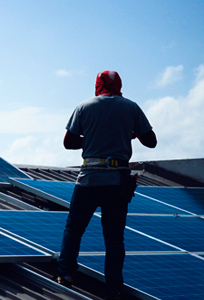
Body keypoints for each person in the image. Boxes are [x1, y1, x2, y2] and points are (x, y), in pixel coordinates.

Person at [57, 70, 157, 300]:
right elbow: (151, 141)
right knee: (114, 239)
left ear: (97, 85)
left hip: (89, 179)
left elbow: (69, 142)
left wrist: (93, 137)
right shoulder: (130, 107)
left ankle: (66, 274)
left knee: (74, 228)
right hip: (117, 182)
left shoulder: (84, 107)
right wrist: (127, 134)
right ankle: (112, 289)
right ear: (119, 85)